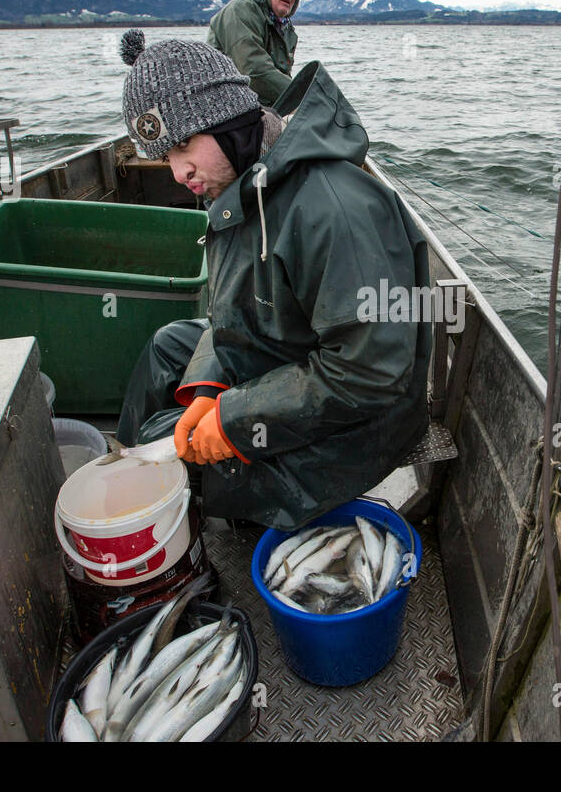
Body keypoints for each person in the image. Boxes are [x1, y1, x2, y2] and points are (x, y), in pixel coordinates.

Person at [115, 29, 430, 530]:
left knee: (168, 442)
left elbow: (372, 373)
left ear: (224, 120)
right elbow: (231, 310)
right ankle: (132, 481)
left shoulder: (337, 210)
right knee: (168, 346)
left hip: (358, 430)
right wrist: (208, 388)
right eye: (166, 156)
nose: (178, 173)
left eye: (181, 148)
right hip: (289, 358)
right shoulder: (245, 185)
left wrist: (235, 417)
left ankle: (148, 515)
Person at [207, 0, 302, 107]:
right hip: (225, 106)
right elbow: (254, 72)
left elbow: (282, 77)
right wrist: (305, 98)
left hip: (257, 106)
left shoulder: (286, 30)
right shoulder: (242, 9)